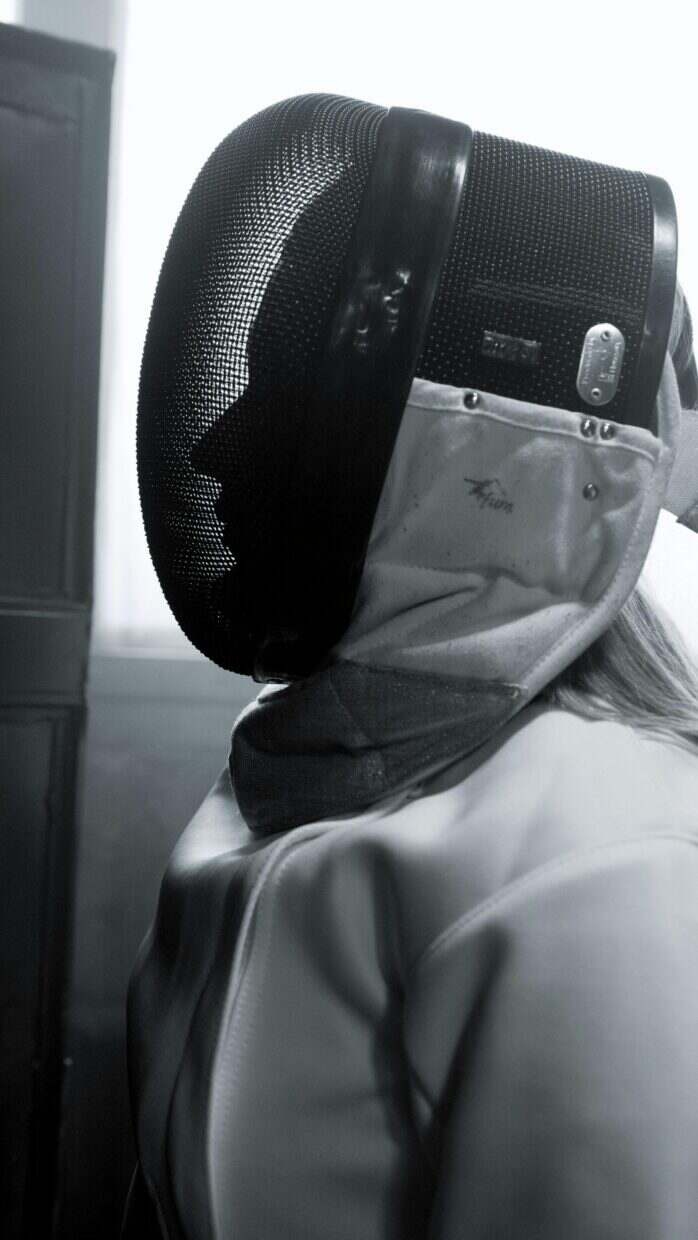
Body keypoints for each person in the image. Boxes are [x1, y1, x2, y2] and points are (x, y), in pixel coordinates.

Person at [125, 97, 698, 1236]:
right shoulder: (301, 772)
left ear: (469, 439)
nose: (219, 439)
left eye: (284, 381)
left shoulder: (599, 861)